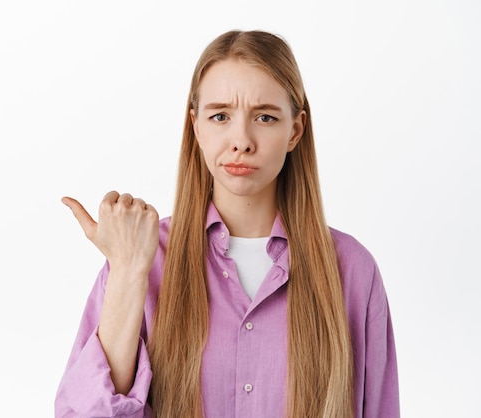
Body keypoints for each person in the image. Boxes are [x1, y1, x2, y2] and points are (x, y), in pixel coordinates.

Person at [54, 30, 399, 418]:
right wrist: (128, 272)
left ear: (295, 130)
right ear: (196, 126)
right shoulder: (144, 258)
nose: (241, 140)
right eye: (220, 116)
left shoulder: (352, 270)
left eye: (265, 117)